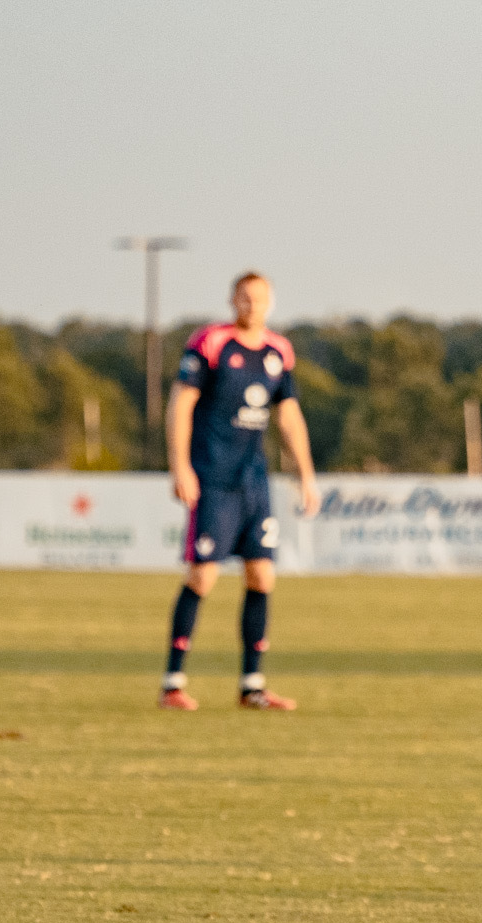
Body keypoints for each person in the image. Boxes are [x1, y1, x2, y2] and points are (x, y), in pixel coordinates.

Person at [159, 271, 320, 711]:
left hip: (254, 481)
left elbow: (288, 416)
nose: (252, 305)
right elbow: (181, 404)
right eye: (244, 297)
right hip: (212, 478)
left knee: (262, 575)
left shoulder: (278, 351)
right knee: (203, 576)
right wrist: (180, 467)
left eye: (260, 298)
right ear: (233, 300)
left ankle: (253, 686)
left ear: (271, 302)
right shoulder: (210, 343)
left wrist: (306, 474)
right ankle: (172, 683)